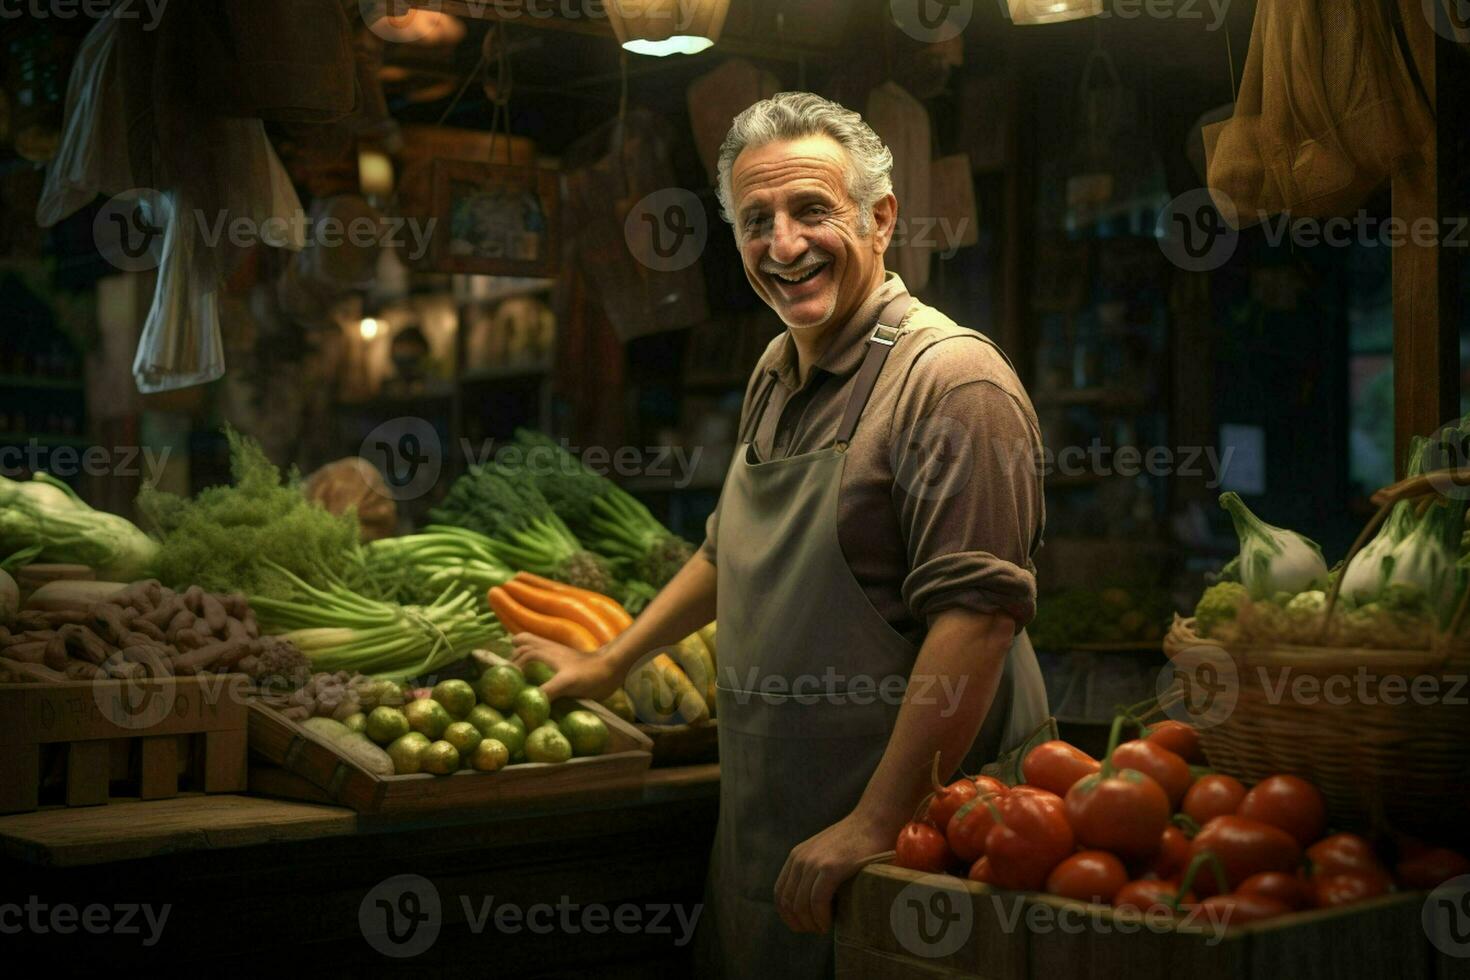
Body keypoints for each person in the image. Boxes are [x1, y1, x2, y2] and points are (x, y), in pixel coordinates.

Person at [514, 91, 1048, 978]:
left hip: (908, 849)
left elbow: (980, 620)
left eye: (811, 211)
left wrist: (882, 821)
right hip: (773, 828)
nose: (784, 245)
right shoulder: (777, 367)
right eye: (755, 219)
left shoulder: (952, 383)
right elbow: (727, 552)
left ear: (880, 219)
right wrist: (613, 661)